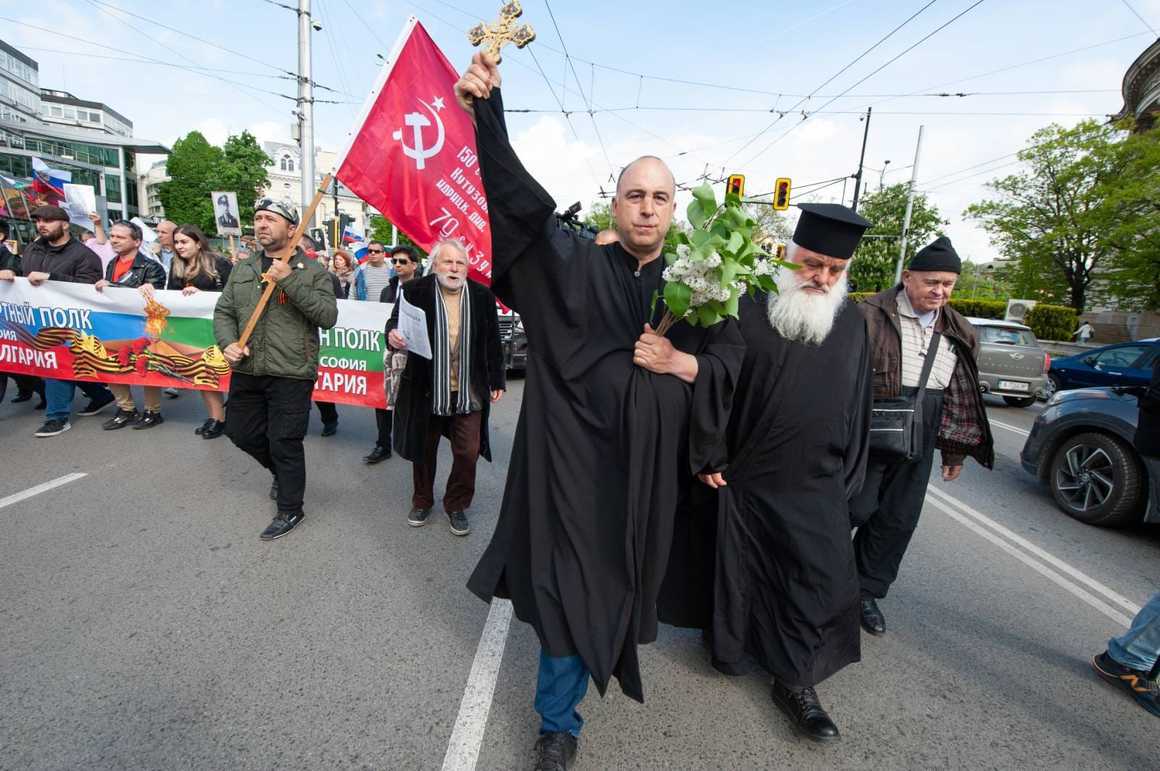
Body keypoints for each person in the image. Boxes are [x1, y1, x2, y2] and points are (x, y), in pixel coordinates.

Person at [456, 52, 744, 769]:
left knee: (615, 587)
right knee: (563, 586)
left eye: (660, 197)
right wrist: (486, 111)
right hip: (571, 465)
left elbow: (738, 359)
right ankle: (559, 721)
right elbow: (519, 203)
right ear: (615, 204)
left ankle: (580, 684)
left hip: (646, 477)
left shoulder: (700, 285)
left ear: (675, 211)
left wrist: (681, 362)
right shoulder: (574, 264)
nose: (647, 207)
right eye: (634, 195)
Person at [660, 204, 873, 742]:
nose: (822, 278)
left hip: (814, 480)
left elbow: (859, 402)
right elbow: (710, 381)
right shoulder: (746, 305)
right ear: (790, 255)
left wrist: (852, 468)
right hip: (745, 475)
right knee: (736, 569)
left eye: (834, 270)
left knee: (819, 577)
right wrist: (708, 451)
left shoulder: (852, 323)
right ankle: (734, 645)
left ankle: (798, 681)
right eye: (813, 264)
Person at [849, 236, 994, 636]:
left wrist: (954, 453)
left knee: (897, 520)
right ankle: (818, 580)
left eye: (948, 283)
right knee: (853, 509)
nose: (940, 291)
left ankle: (864, 593)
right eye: (932, 281)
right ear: (908, 277)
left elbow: (959, 397)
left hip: (921, 431)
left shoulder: (961, 330)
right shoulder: (867, 314)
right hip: (868, 427)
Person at [213, 198, 338, 541]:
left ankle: (290, 508)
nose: (262, 224)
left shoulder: (313, 273)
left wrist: (288, 281)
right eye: (258, 218)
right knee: (240, 432)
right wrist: (228, 343)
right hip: (248, 367)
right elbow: (224, 312)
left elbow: (327, 317)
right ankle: (282, 475)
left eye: (271, 218)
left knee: (284, 440)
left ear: (292, 229)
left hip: (291, 371)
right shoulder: (243, 269)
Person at [386, 239, 504, 535]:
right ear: (435, 264)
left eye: (460, 263)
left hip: (468, 389)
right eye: (448, 262)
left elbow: (492, 341)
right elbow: (394, 324)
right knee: (424, 450)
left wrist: (497, 378)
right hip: (425, 387)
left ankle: (456, 504)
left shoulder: (481, 296)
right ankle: (423, 500)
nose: (454, 268)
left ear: (467, 267)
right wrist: (393, 335)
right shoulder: (414, 291)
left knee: (468, 451)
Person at [9, 205, 115, 436]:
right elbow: (20, 273)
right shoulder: (33, 249)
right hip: (34, 317)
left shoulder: (84, 255)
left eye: (47, 220)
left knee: (55, 363)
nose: (41, 225)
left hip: (68, 322)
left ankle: (57, 417)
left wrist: (52, 278)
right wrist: (9, 273)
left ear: (65, 225)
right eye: (38, 221)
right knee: (65, 364)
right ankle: (101, 395)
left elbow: (88, 287)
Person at [94, 221, 168, 430]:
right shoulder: (111, 264)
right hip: (115, 324)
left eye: (120, 237)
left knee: (145, 366)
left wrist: (114, 287)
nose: (114, 240)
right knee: (112, 363)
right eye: (112, 235)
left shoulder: (151, 267)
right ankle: (125, 408)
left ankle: (152, 411)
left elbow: (155, 299)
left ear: (137, 241)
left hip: (142, 327)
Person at [163, 224, 233, 438]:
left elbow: (233, 293)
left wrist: (201, 295)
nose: (179, 246)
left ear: (198, 242)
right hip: (193, 330)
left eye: (184, 242)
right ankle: (216, 417)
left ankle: (231, 417)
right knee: (203, 374)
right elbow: (171, 296)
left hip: (220, 327)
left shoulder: (219, 263)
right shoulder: (176, 265)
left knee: (227, 373)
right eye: (176, 242)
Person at [365, 245, 424, 465]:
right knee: (382, 397)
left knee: (410, 400)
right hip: (389, 351)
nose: (397, 265)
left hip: (415, 354)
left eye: (403, 261)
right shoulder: (388, 290)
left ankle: (412, 440)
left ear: (414, 265)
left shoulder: (422, 289)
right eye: (395, 261)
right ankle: (383, 444)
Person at [0, 224, 45, 408]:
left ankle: (41, 390)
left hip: (7, 320)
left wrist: (7, 273)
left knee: (6, 362)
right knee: (12, 365)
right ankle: (35, 389)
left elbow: (12, 273)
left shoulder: (7, 254)